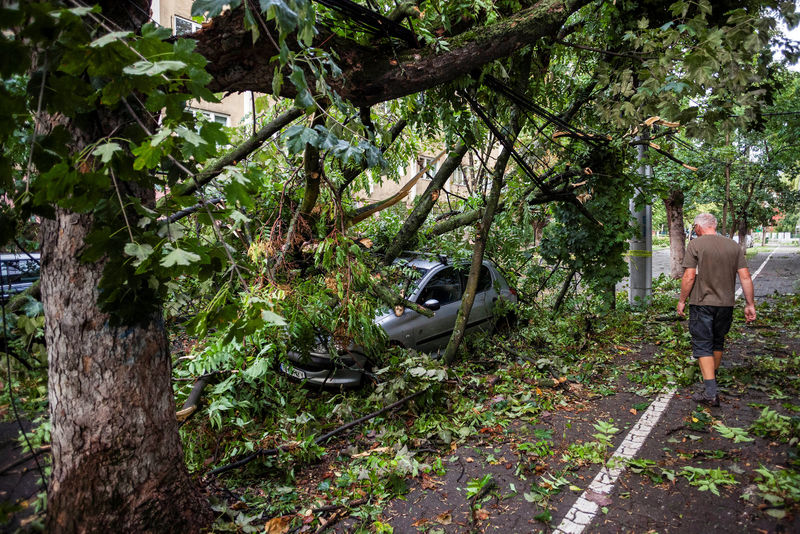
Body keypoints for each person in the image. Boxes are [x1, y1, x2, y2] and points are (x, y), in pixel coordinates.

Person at [676, 213, 756, 406]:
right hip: (726, 304)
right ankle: (711, 380)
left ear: (697, 227)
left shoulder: (695, 245)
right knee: (717, 341)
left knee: (703, 344)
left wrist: (681, 300)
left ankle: (711, 393)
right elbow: (745, 277)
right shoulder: (733, 246)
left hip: (702, 303)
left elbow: (689, 276)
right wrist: (750, 304)